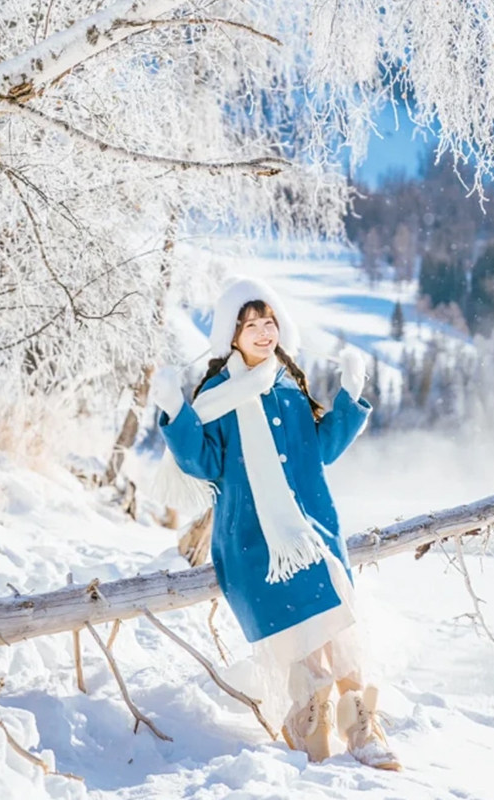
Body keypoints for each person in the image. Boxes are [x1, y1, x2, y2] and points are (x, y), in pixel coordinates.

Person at [151, 276, 401, 771]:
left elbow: (322, 450)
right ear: (232, 336)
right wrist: (176, 410)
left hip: (312, 531)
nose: (264, 333)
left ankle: (357, 725)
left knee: (339, 617)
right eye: (251, 325)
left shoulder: (289, 386)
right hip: (253, 544)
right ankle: (314, 722)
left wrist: (350, 394)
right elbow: (201, 462)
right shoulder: (218, 397)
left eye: (270, 323)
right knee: (314, 621)